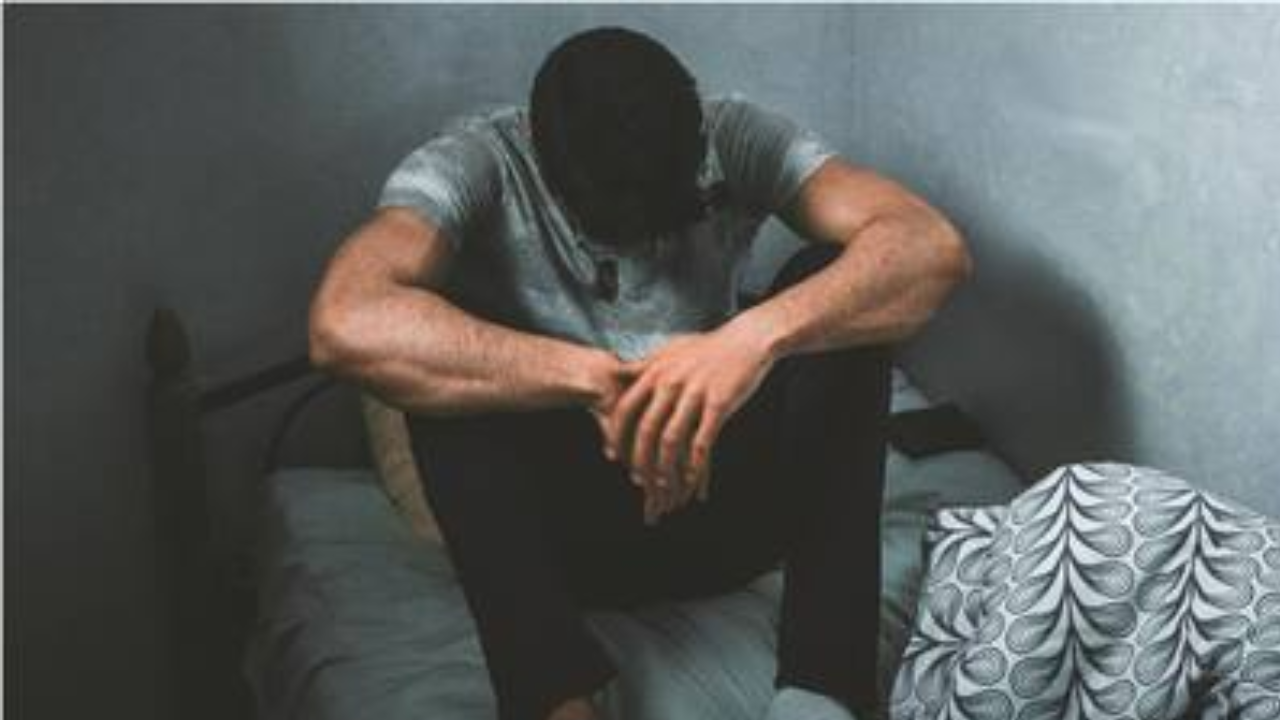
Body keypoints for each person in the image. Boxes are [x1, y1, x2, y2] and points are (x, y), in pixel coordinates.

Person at [309, 26, 970, 720]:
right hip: (568, 541)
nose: (642, 240)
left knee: (831, 287)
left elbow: (930, 247)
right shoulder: (477, 162)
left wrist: (749, 341)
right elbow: (344, 320)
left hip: (727, 509)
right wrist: (594, 379)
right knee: (440, 363)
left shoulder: (735, 134)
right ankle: (557, 702)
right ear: (537, 148)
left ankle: (821, 694)